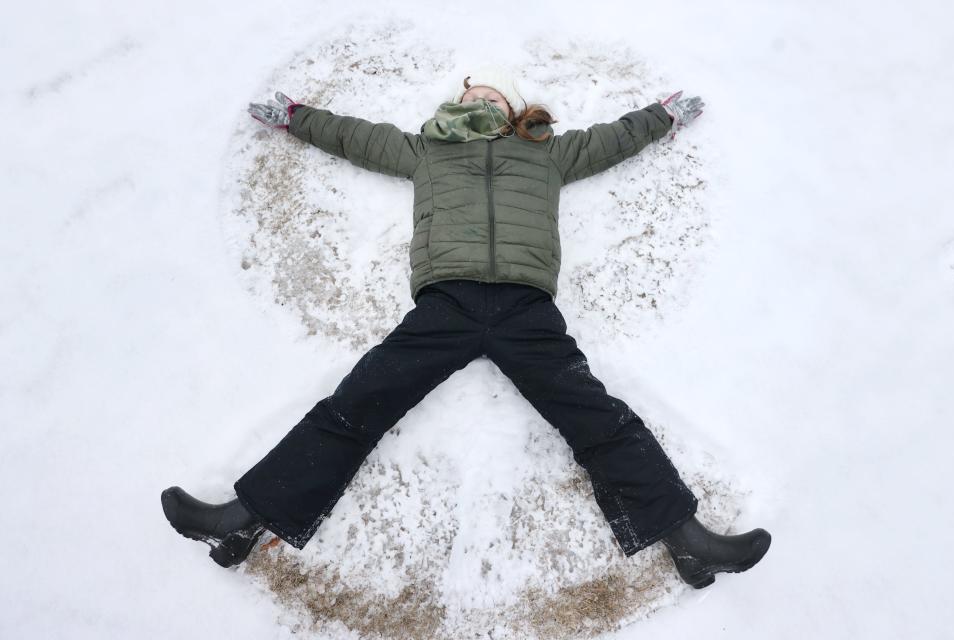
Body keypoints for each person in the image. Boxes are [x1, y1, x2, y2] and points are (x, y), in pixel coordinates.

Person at [161, 66, 770, 589]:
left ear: (512, 108)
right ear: (456, 105)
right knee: (354, 406)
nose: (484, 102)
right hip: (445, 306)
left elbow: (615, 138)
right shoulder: (428, 150)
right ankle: (243, 519)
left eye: (494, 98)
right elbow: (354, 137)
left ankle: (686, 539)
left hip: (526, 310)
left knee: (598, 418)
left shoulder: (547, 151)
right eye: (473, 95)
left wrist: (661, 116)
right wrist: (295, 116)